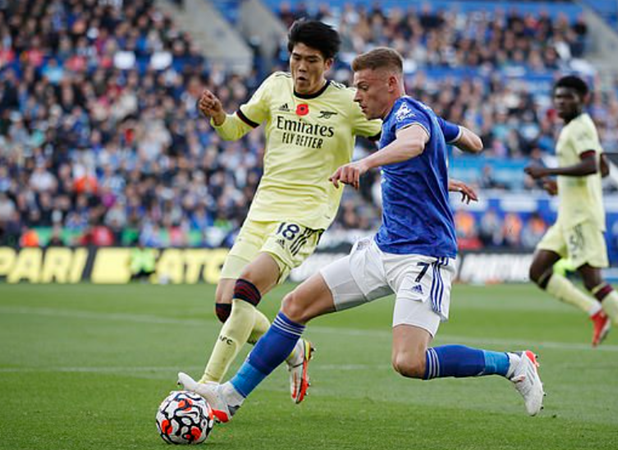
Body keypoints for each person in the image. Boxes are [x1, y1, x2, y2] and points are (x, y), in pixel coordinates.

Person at [179, 47, 545, 422]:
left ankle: (513, 364)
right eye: (355, 88)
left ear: (391, 83)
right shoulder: (413, 117)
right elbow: (472, 141)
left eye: (364, 88)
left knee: (409, 362)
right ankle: (230, 395)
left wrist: (365, 162)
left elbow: (415, 142)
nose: (357, 96)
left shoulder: (407, 113)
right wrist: (445, 168)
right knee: (294, 306)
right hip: (383, 249)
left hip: (423, 257)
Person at [181, 19, 383, 405]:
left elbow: (393, 137)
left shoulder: (346, 103)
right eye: (295, 58)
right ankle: (293, 349)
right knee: (226, 306)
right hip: (263, 209)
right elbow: (234, 130)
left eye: (311, 60)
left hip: (306, 214)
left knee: (246, 291)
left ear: (328, 64)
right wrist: (219, 117)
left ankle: (209, 386)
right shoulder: (274, 86)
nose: (301, 68)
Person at [525, 75, 618, 366]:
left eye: (568, 97)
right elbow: (604, 168)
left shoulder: (580, 126)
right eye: (558, 97)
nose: (561, 101)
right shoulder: (576, 128)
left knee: (593, 280)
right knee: (537, 271)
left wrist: (549, 173)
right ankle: (595, 312)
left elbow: (591, 165)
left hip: (582, 216)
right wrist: (562, 187)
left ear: (583, 99)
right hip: (568, 214)